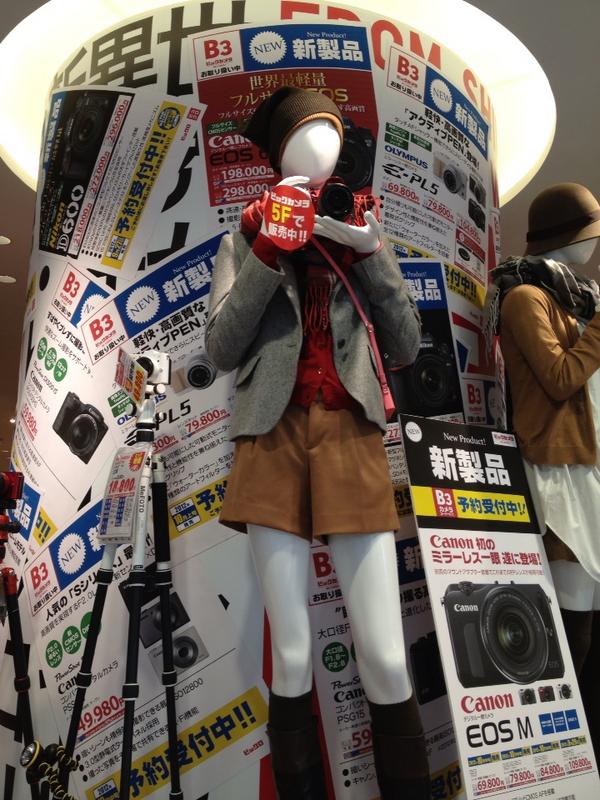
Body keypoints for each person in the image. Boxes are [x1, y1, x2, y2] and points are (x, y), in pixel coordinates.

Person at [205, 87, 427, 799]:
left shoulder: (360, 226)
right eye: (307, 145)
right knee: (294, 654)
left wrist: (372, 253)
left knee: (386, 655)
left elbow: (406, 346)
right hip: (271, 435)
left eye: (331, 143)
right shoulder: (243, 237)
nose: (323, 159)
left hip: (350, 433)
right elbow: (222, 348)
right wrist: (269, 250)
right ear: (280, 161)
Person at [487, 182, 600, 762]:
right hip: (555, 470)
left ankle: (572, 752)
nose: (595, 244)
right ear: (568, 235)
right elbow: (558, 379)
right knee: (566, 625)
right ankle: (553, 754)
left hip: (585, 469)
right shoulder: (525, 298)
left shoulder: (577, 299)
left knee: (583, 619)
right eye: (590, 231)